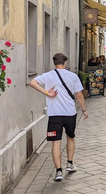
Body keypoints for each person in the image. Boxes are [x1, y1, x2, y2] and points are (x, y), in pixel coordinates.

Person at [29, 53, 88, 182]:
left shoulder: (48, 75)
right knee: (70, 137)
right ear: (65, 63)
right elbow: (79, 95)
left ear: (54, 63)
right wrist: (84, 109)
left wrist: (46, 92)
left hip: (54, 114)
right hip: (69, 113)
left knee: (56, 142)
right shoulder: (73, 76)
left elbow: (32, 82)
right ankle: (70, 163)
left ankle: (58, 171)